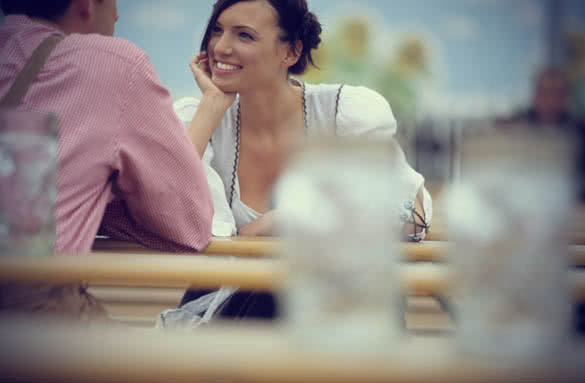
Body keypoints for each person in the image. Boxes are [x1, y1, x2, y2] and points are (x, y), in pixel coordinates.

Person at [167, 0, 432, 324]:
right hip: (230, 310)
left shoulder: (342, 113)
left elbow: (413, 210)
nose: (220, 47)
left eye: (244, 36)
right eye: (217, 31)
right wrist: (211, 105)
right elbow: (171, 211)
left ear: (290, 52)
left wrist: (287, 218)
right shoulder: (200, 121)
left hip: (327, 307)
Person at [0, 0, 214, 319]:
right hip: (31, 318)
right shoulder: (113, 64)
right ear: (86, 4)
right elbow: (190, 225)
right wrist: (103, 198)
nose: (116, 14)